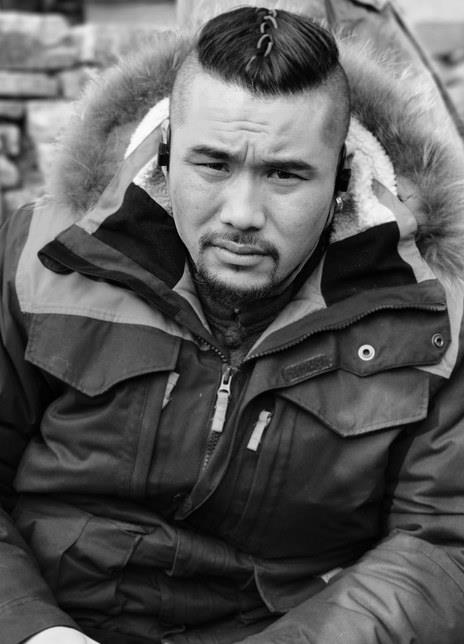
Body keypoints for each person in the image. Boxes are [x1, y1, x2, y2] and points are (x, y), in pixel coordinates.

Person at [2, 5, 464, 644]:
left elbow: (442, 542)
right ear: (166, 156)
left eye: (285, 174)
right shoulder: (40, 252)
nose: (243, 214)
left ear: (342, 177)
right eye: (213, 165)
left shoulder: (434, 311)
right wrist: (32, 628)